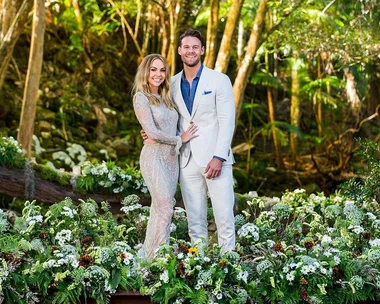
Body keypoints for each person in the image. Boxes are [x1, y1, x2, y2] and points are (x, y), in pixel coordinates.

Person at [143, 29, 236, 252]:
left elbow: (227, 122)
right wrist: (150, 132)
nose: (190, 51)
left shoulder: (219, 80)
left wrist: (219, 156)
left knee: (224, 217)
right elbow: (167, 118)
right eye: (186, 47)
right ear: (179, 50)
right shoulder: (171, 84)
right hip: (185, 160)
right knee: (195, 221)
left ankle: (228, 267)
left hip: (216, 160)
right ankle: (199, 266)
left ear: (202, 50)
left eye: (195, 47)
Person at [132, 54, 198, 260]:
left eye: (162, 70)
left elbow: (168, 127)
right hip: (153, 158)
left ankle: (150, 255)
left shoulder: (167, 98)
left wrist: (174, 139)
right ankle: (159, 258)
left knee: (161, 207)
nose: (158, 74)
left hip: (171, 160)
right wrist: (180, 139)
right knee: (166, 207)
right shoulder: (141, 97)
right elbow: (151, 133)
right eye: (153, 69)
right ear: (145, 71)